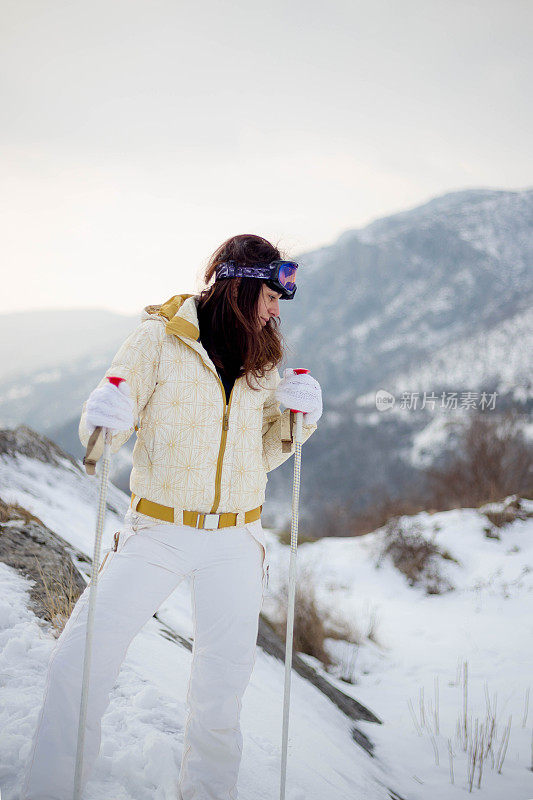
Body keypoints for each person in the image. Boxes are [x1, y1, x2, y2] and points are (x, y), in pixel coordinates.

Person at [22, 233, 322, 800]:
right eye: (273, 294)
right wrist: (101, 420)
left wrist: (296, 421)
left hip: (236, 540)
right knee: (79, 665)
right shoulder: (158, 340)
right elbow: (102, 433)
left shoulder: (264, 358)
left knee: (220, 695)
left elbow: (260, 453)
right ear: (243, 286)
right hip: (158, 531)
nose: (278, 309)